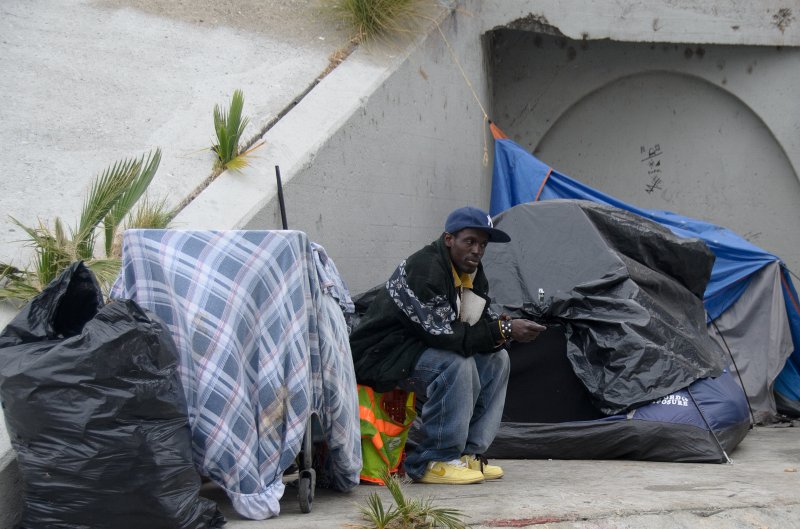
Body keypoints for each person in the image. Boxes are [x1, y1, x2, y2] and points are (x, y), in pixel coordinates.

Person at [349, 206, 545, 484]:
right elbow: (446, 336)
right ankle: (433, 460)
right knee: (454, 363)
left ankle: (468, 454)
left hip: (417, 348)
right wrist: (505, 329)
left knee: (497, 359)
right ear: (449, 239)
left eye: (482, 244)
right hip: (381, 356)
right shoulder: (425, 269)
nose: (477, 250)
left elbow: (477, 324)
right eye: (470, 241)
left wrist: (504, 331)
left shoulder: (471, 273)